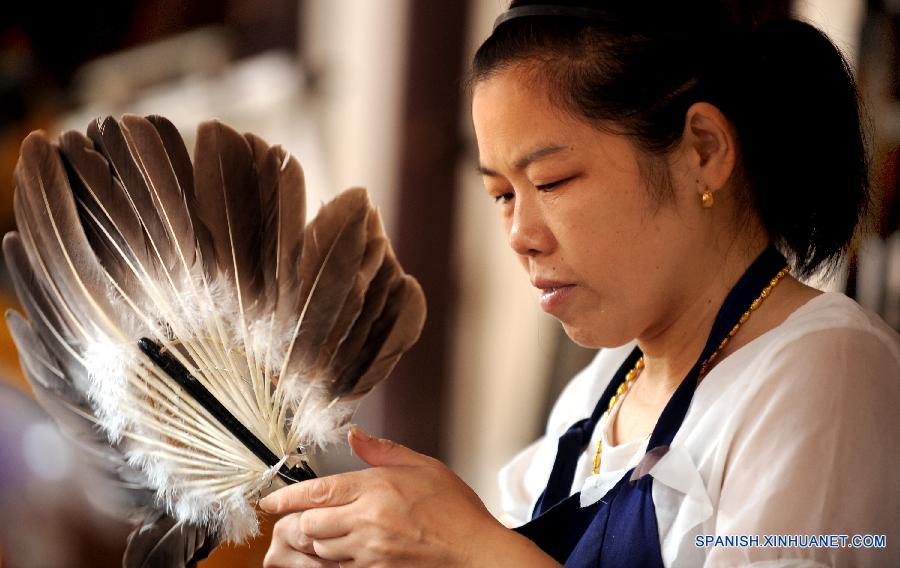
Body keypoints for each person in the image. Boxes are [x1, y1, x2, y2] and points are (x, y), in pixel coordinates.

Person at [261, 1, 900, 566]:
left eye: (552, 182)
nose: (520, 233)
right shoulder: (601, 393)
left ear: (702, 149)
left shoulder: (828, 368)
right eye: (501, 195)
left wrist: (467, 548)